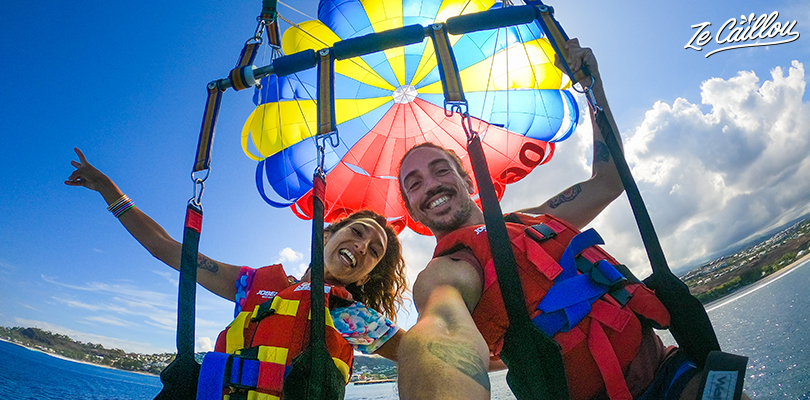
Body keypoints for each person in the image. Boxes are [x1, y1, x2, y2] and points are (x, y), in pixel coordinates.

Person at [396, 39, 712, 400]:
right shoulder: (449, 271)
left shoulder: (536, 221)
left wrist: (592, 86)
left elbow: (609, 181)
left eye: (440, 170)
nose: (431, 184)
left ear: (468, 180)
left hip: (670, 374)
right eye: (415, 184)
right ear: (412, 209)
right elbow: (441, 327)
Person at [65, 148, 408, 399]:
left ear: (364, 276)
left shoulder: (354, 318)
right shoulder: (252, 285)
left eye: (374, 251)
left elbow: (426, 354)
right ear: (326, 234)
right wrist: (110, 191)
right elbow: (168, 250)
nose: (363, 246)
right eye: (358, 233)